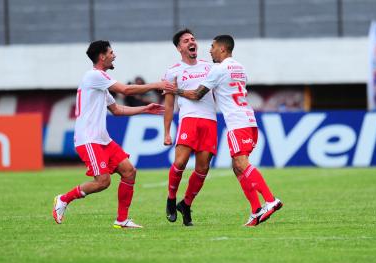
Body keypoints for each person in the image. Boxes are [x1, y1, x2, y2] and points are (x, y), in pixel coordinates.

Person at [52, 40, 173, 228]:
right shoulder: (94, 76)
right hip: (88, 139)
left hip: (103, 139)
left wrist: (145, 109)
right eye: (111, 52)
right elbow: (126, 89)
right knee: (102, 181)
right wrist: (157, 84)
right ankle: (63, 199)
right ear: (102, 56)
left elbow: (117, 110)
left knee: (129, 171)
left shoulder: (100, 83)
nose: (114, 55)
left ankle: (122, 220)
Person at [164, 35, 282, 226]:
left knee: (240, 162)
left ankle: (270, 200)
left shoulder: (216, 69)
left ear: (222, 49)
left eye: (212, 47)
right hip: (249, 120)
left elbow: (196, 94)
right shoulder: (240, 67)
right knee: (236, 167)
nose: (209, 50)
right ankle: (255, 211)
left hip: (236, 122)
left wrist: (173, 89)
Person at [163, 29, 217, 226]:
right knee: (180, 163)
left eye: (193, 39)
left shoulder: (209, 67)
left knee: (203, 168)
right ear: (179, 48)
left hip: (210, 120)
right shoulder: (173, 71)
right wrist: (167, 132)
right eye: (186, 40)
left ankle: (185, 204)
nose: (191, 42)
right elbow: (169, 105)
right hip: (189, 120)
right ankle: (171, 198)